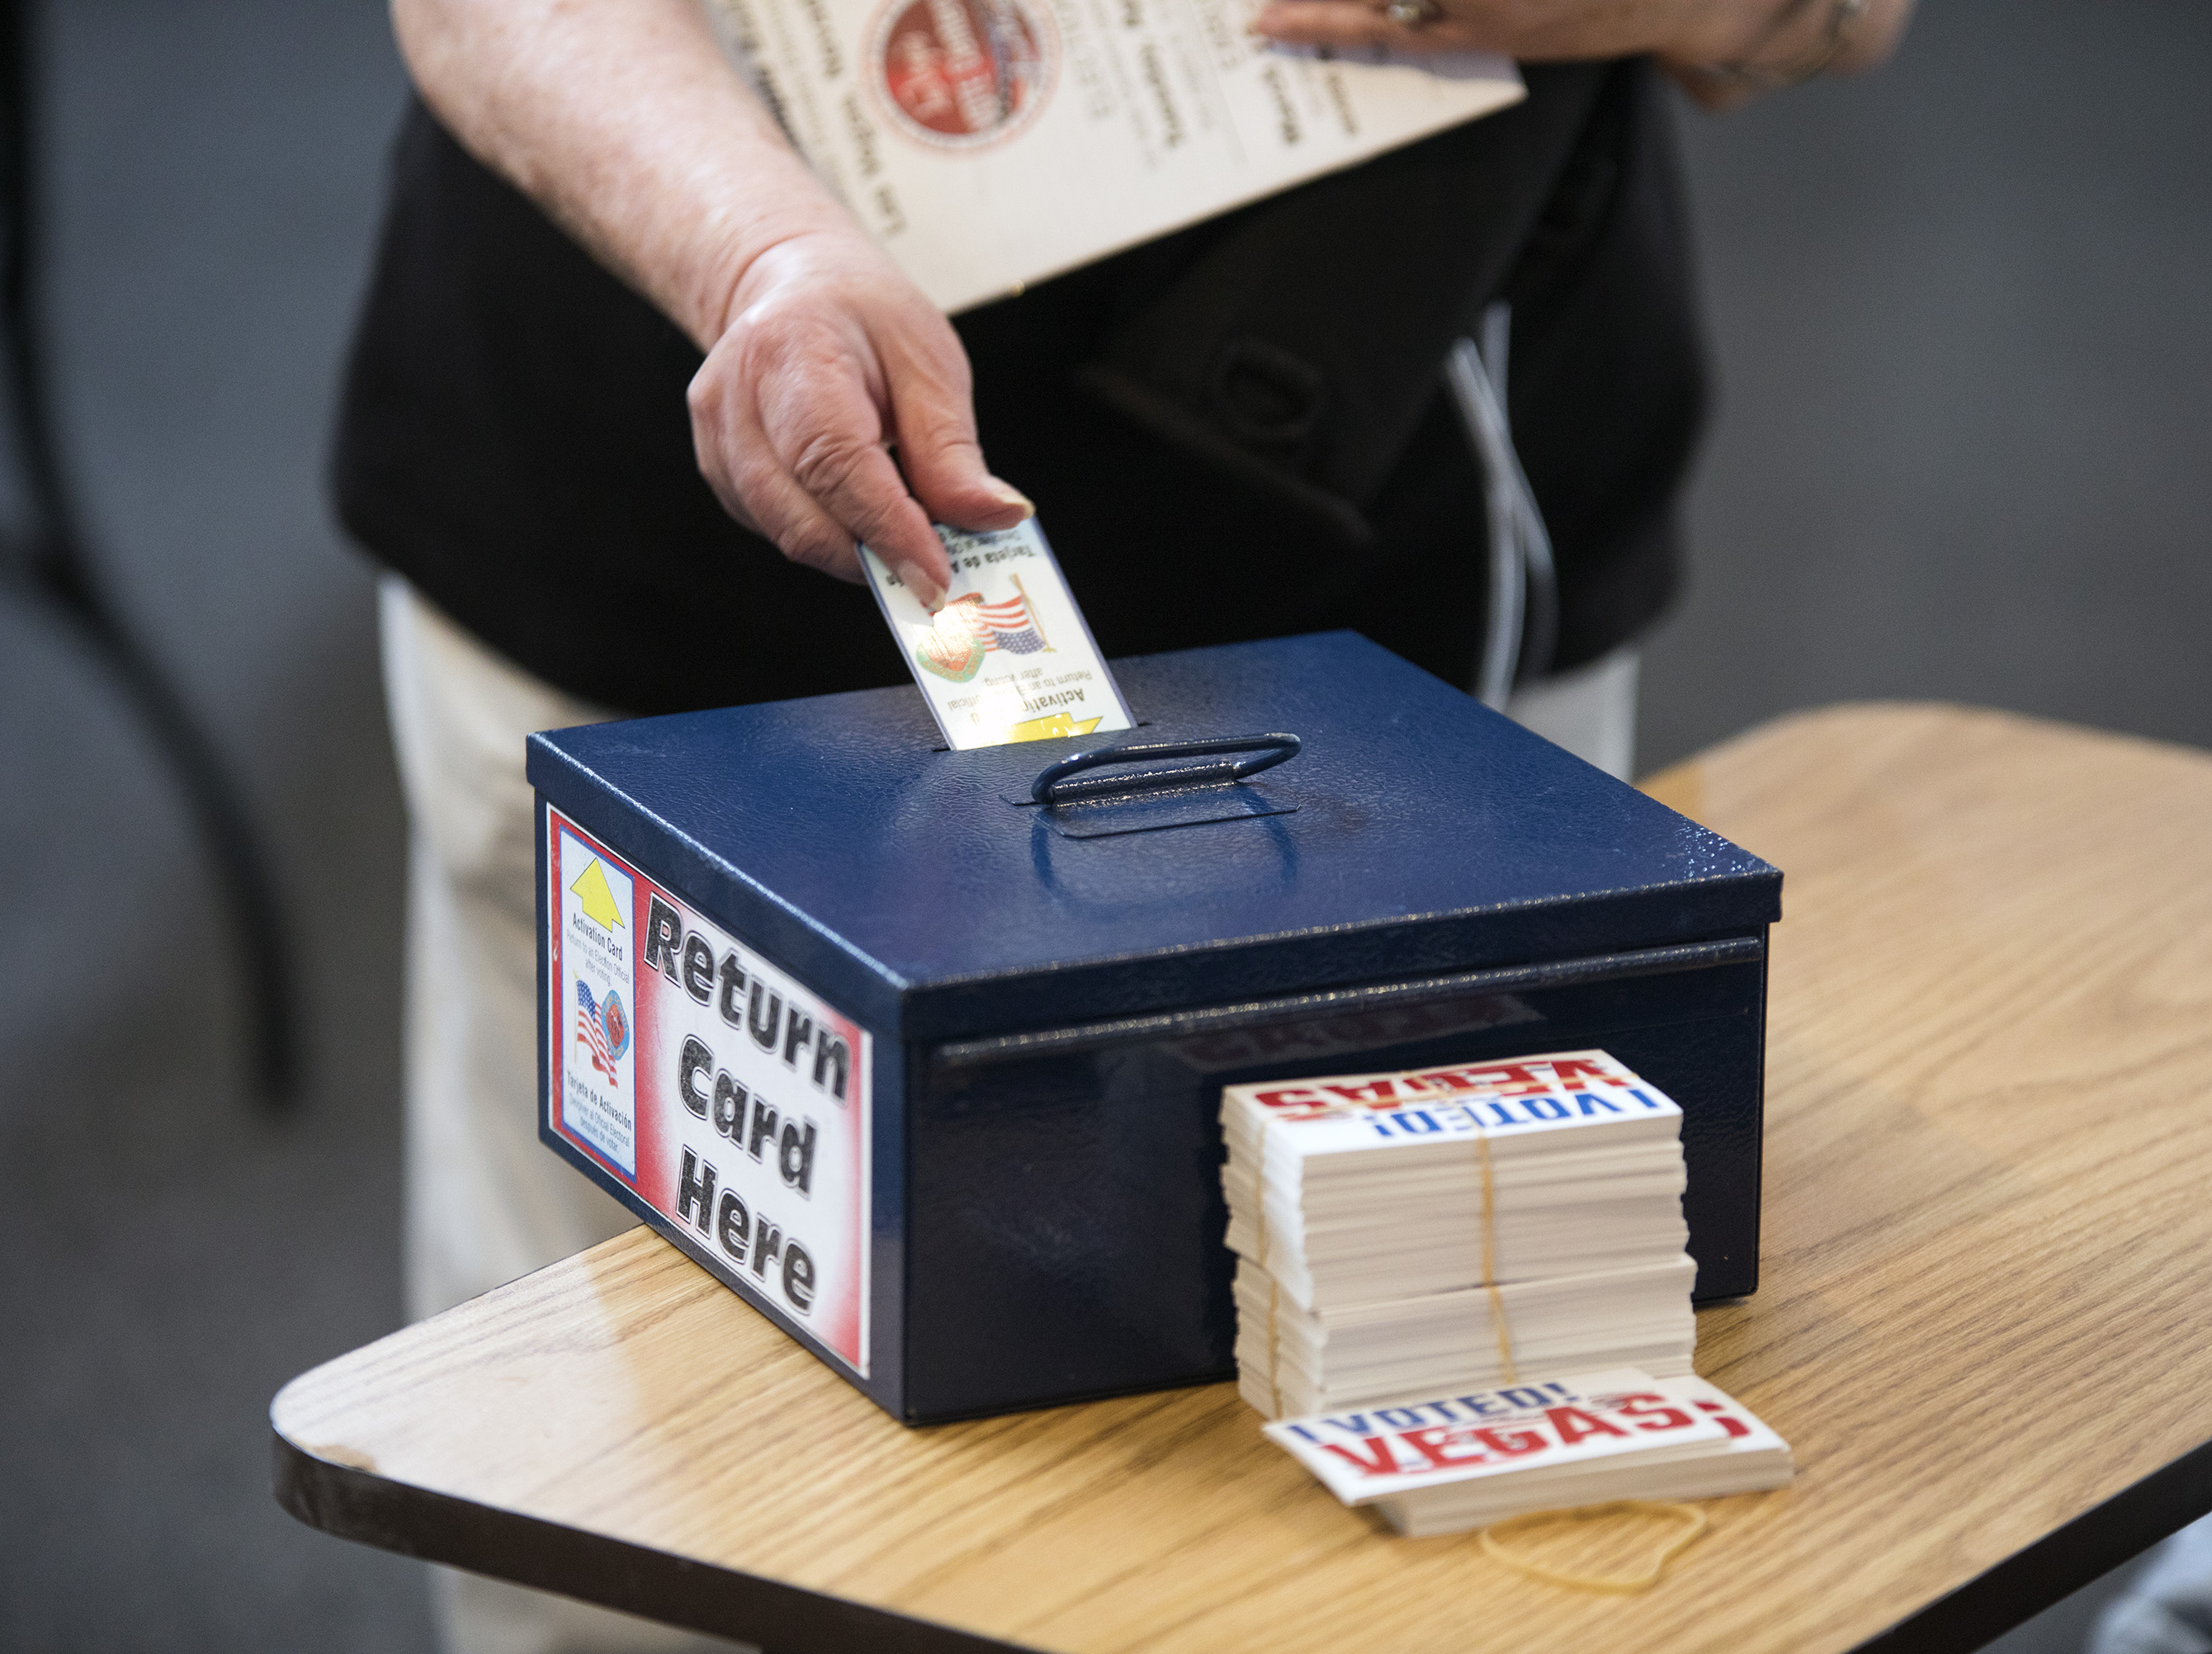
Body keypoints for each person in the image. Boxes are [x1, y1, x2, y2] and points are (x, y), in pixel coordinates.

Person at [339, 1, 1913, 1647]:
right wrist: (751, 258)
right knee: (640, 1512)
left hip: (1394, 640)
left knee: (1365, 1521)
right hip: (680, 543)